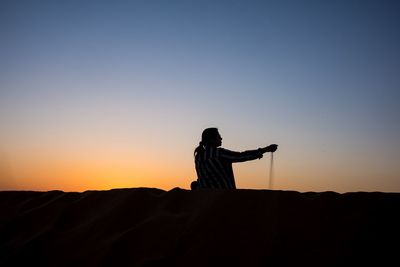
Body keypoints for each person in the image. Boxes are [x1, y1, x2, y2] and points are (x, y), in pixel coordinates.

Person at [192, 127, 278, 190]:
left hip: (205, 195)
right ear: (211, 139)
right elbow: (241, 156)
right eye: (218, 136)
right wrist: (265, 149)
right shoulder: (219, 153)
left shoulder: (198, 156)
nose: (221, 138)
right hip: (222, 196)